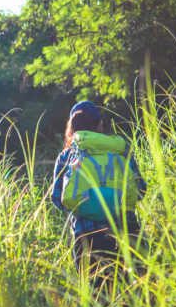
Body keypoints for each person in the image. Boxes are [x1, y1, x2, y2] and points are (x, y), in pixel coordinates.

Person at [51, 101, 147, 289]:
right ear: (99, 124)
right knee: (138, 298)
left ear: (72, 128)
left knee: (99, 302)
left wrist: (87, 205)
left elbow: (57, 199)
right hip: (128, 230)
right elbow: (140, 190)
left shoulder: (67, 156)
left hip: (87, 237)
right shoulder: (121, 150)